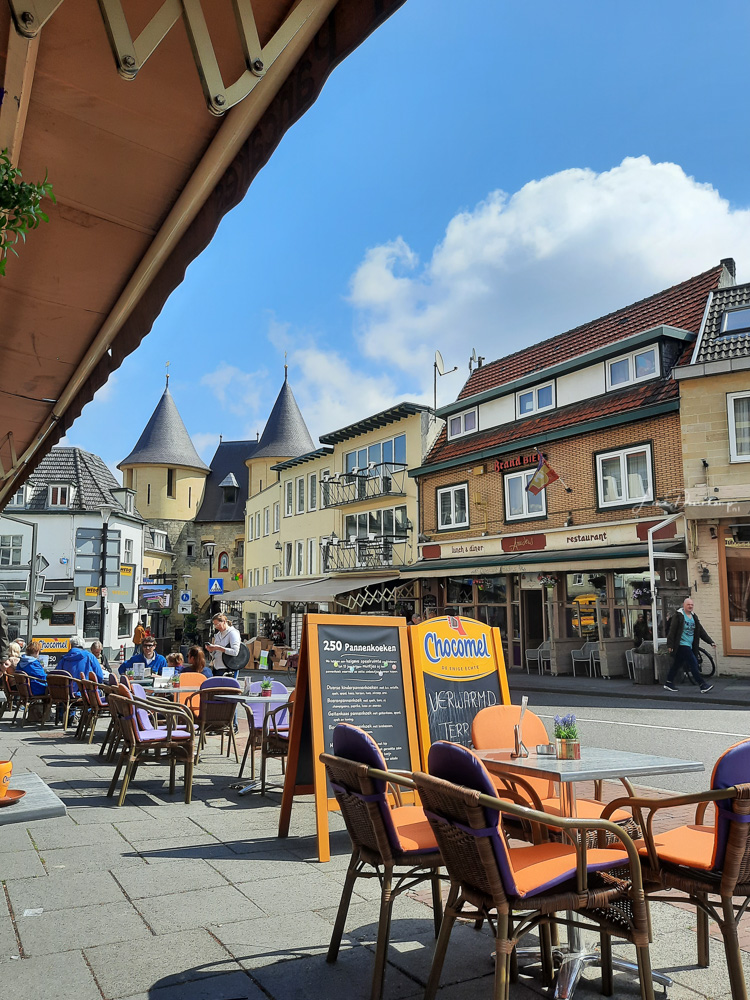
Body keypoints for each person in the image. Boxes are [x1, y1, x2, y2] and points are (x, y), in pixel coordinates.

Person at [664, 596, 716, 694]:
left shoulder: (693, 617)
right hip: (681, 644)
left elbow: (701, 631)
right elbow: (672, 631)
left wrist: (710, 641)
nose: (690, 606)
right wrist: (670, 645)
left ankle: (668, 682)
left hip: (690, 645)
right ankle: (702, 685)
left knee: (677, 664)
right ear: (684, 605)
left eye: (692, 605)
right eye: (688, 604)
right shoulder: (679, 616)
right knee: (693, 662)